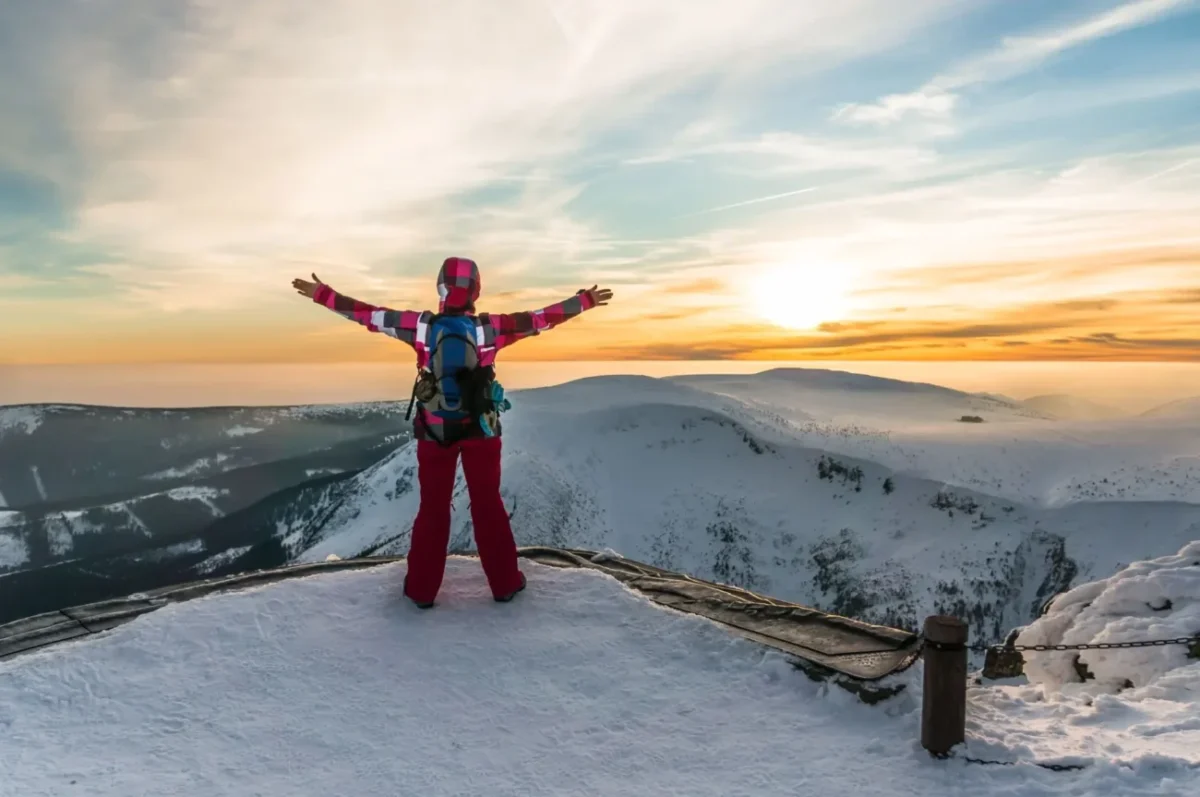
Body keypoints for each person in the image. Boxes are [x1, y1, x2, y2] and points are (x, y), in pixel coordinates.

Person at [292, 257, 613, 609]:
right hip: (482, 429)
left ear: (440, 288)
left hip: (434, 431)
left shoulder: (420, 327)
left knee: (433, 508)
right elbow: (540, 319)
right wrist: (584, 301)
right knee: (487, 504)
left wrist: (323, 294)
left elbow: (368, 315)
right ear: (476, 289)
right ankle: (505, 583)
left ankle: (421, 590)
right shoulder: (490, 329)